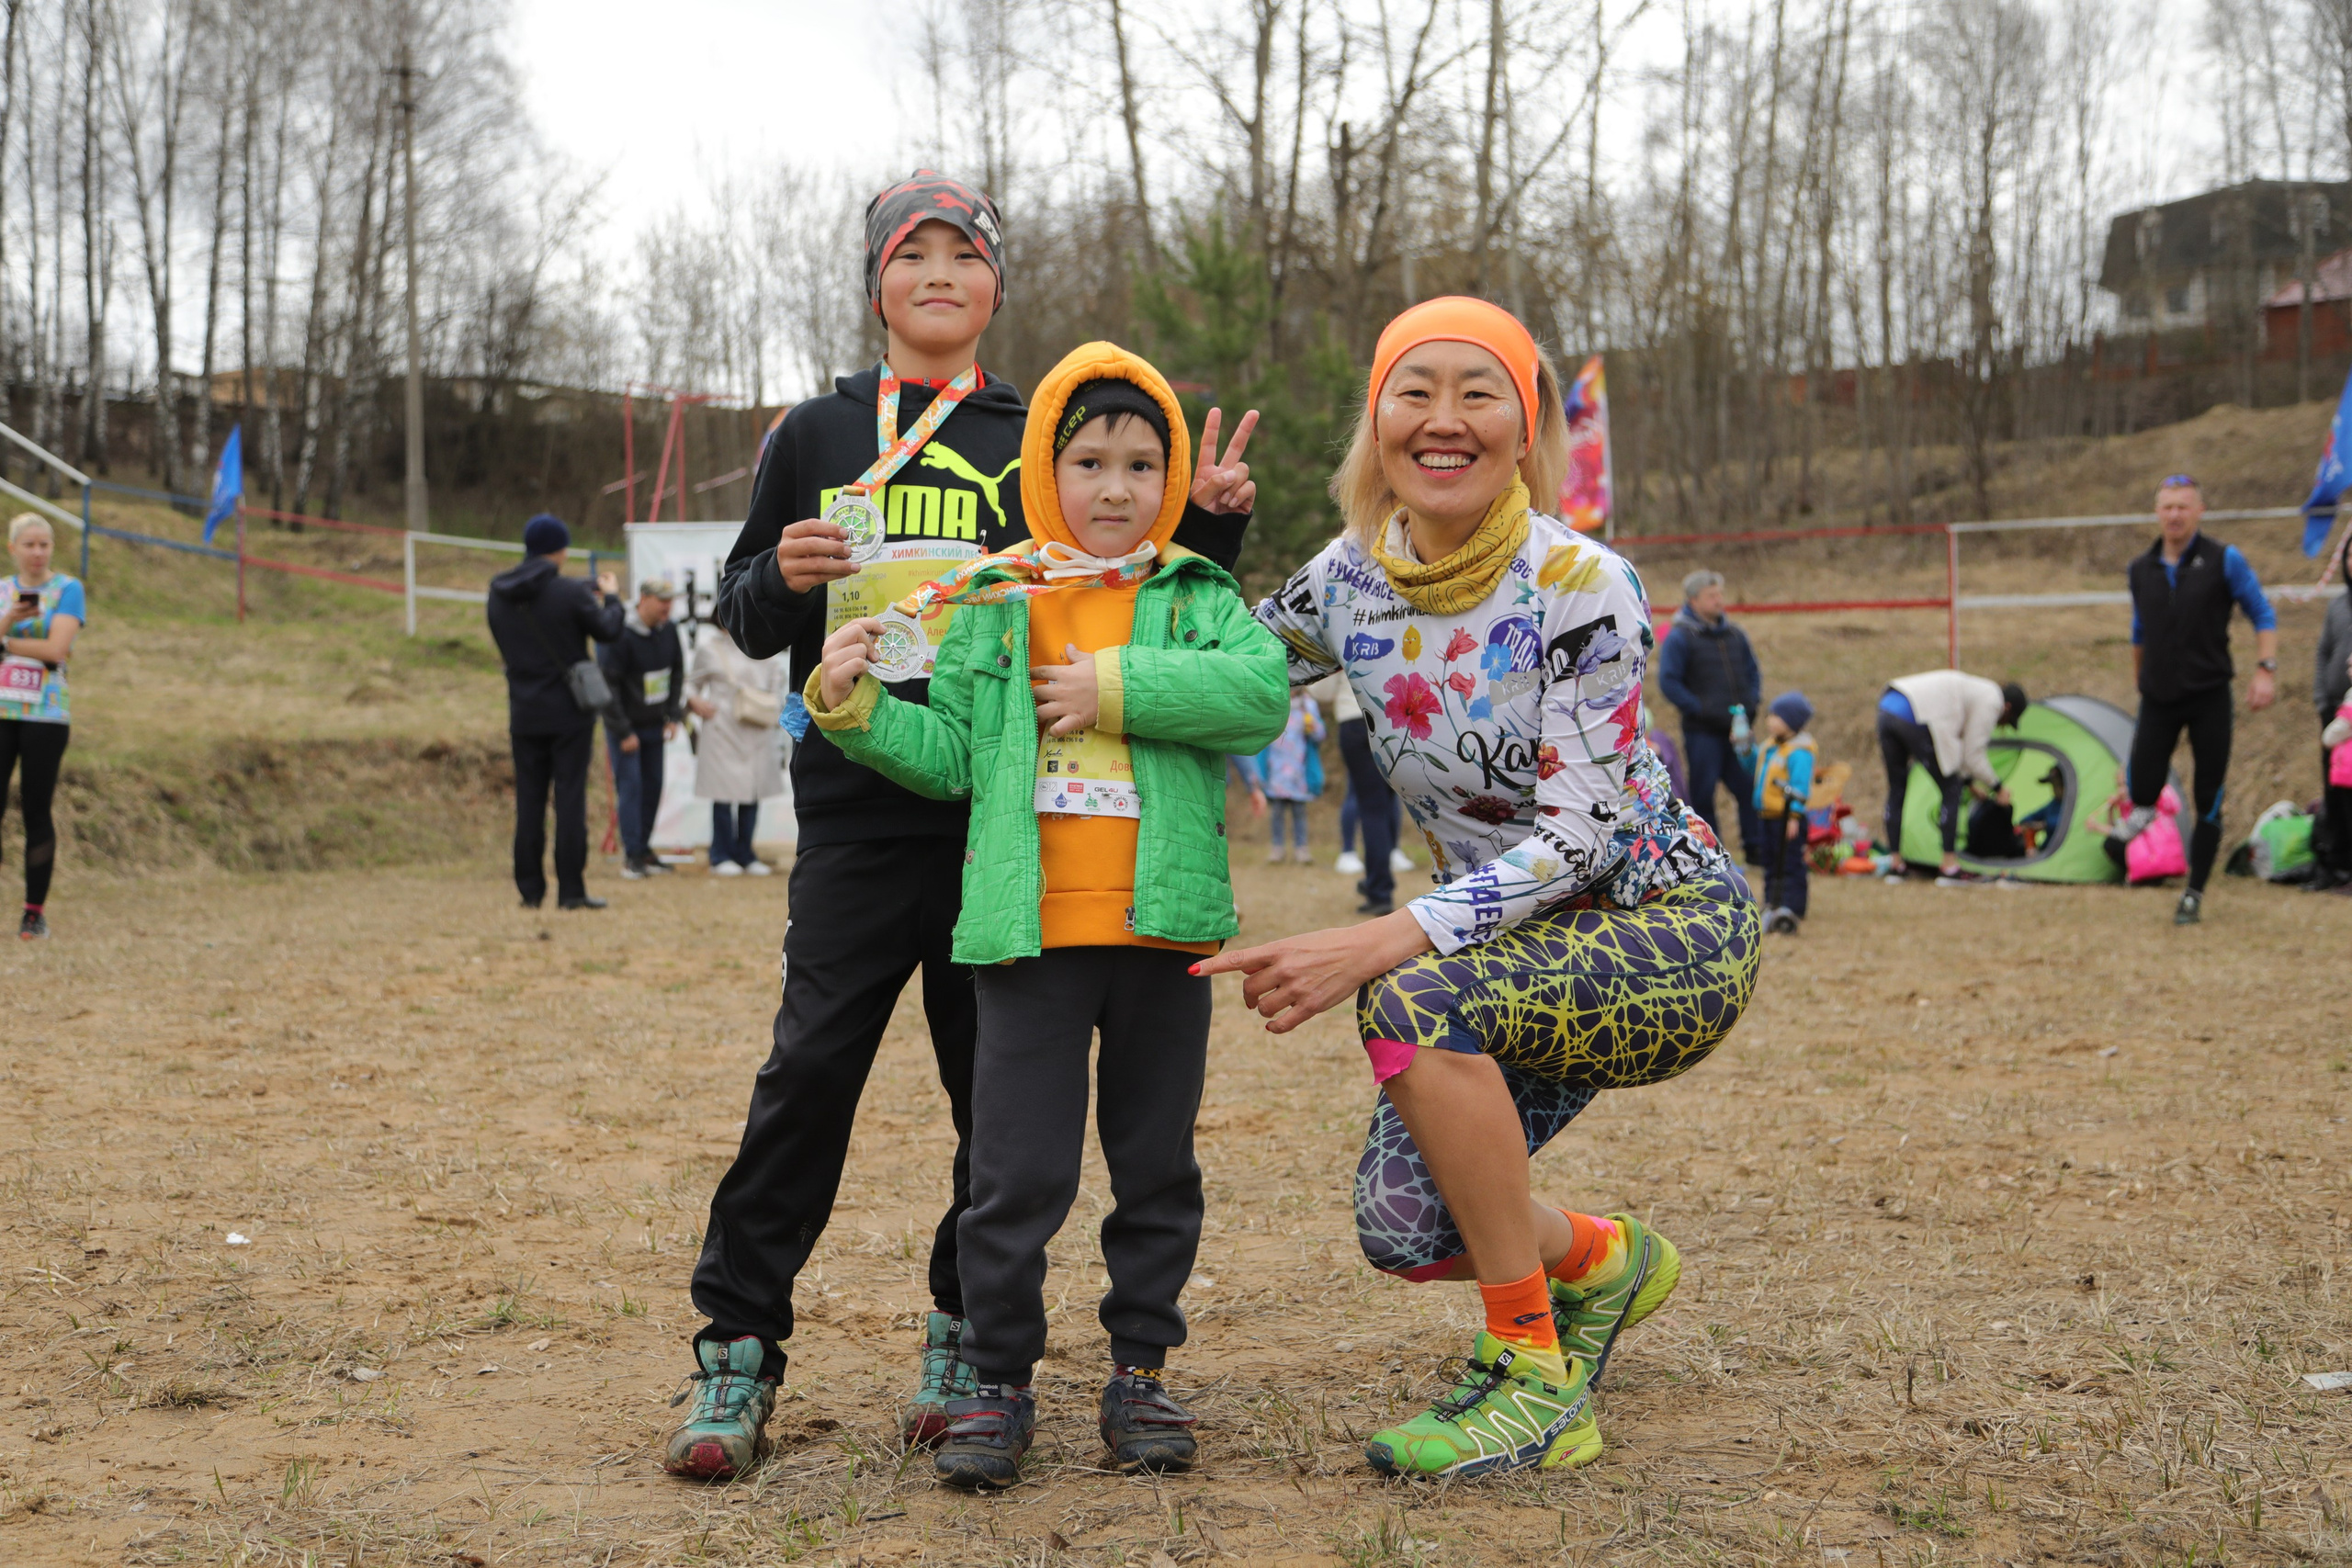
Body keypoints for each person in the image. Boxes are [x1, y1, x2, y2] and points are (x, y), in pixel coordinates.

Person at [677, 170, 1260, 1482]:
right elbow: (743, 614)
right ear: (875, 279)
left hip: (1009, 827)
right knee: (807, 1076)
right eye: (911, 255)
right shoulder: (817, 431)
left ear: (997, 282)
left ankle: (964, 1334)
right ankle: (737, 1346)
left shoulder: (1036, 432)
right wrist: (781, 574)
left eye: (964, 255)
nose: (938, 275)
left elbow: (1137, 576)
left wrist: (1223, 526)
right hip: (857, 811)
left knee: (993, 1104)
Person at [1205, 298, 1759, 1480]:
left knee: (1413, 1003)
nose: (1443, 420)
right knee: (1405, 1231)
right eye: (1416, 390)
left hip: (1663, 927)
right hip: (1501, 953)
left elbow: (1585, 835)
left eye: (1478, 391)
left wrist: (1385, 938)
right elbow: (1227, 680)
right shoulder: (1349, 579)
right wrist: (1199, 546)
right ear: (1377, 419)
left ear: (1525, 423)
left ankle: (1534, 1377)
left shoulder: (1582, 581)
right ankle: (1604, 1263)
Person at [808, 344, 1288, 1489]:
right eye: (1087, 461)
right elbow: (956, 761)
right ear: (1043, 471)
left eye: (1138, 463)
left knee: (1154, 1166)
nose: (1114, 487)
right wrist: (854, 704)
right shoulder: (995, 600)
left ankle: (1139, 1375)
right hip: (1026, 939)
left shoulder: (1196, 595)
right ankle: (998, 1379)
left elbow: (1258, 695)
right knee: (1014, 1176)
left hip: (1162, 936)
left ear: (1167, 481)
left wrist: (1113, 688)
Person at [2110, 475, 2278, 924]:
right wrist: (2139, 678)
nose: (2175, 515)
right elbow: (2139, 631)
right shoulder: (2140, 568)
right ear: (2157, 512)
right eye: (2167, 507)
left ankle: (2194, 893)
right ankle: (2141, 827)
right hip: (2159, 697)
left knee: (2209, 797)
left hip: (2208, 697)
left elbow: (2261, 612)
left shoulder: (2225, 560)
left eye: (2183, 506)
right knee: (2142, 787)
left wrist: (2266, 669)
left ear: (2199, 510)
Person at [485, 513, 627, 911]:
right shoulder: (569, 593)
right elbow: (608, 630)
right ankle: (571, 891)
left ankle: (529, 891)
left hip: (523, 712)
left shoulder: (498, 593)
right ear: (560, 550)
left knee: (528, 802)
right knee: (568, 799)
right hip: (569, 714)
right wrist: (612, 596)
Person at [0, 513, 84, 940]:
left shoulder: (68, 590)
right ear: (13, 548)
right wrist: (7, 620)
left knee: (35, 811)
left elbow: (57, 648)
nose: (37, 552)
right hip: (2, 713)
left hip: (45, 715)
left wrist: (4, 642)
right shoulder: (0, 592)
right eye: (29, 545)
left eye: (44, 545)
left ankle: (33, 913)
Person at [1875, 669, 2027, 884]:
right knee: (1951, 789)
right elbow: (1973, 755)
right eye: (2007, 721)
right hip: (1915, 715)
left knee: (1897, 787)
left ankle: (1895, 864)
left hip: (1888, 707)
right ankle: (1949, 867)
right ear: (2007, 708)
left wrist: (1970, 784)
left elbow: (1961, 756)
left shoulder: (1977, 689)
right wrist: (1998, 787)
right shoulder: (1992, 701)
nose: (2002, 727)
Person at [1656, 569, 1763, 863]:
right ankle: (1710, 851)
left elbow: (1753, 673)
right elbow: (1669, 682)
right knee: (1703, 794)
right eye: (1711, 595)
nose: (1719, 600)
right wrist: (1700, 709)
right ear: (1693, 599)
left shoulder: (1735, 635)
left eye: (1720, 594)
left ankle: (1755, 847)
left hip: (1739, 731)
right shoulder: (1680, 638)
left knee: (1749, 788)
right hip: (1702, 732)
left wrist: (1752, 703)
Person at [601, 578, 687, 878]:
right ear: (644, 598)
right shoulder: (621, 633)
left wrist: (674, 715)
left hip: (655, 726)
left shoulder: (670, 629)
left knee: (653, 787)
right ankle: (631, 855)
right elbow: (608, 685)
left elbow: (677, 671)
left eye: (670, 600)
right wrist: (623, 731)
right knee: (632, 789)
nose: (668, 606)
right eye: (662, 600)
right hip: (626, 729)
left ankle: (644, 850)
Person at [686, 623, 787, 876]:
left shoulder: (767, 645)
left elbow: (778, 684)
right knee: (722, 793)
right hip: (722, 728)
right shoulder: (710, 649)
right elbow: (690, 684)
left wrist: (773, 706)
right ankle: (720, 853)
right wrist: (696, 702)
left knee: (752, 793)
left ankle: (745, 852)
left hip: (758, 727)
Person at [1329, 672, 1414, 912]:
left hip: (1354, 720)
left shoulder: (1339, 634)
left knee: (1371, 807)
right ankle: (1377, 882)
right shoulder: (1399, 634)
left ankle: (1379, 890)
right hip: (1394, 720)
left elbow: (1321, 691)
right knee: (1387, 802)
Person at [2308, 530, 2352, 892]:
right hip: (2335, 716)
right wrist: (2323, 698)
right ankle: (2333, 865)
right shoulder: (2337, 606)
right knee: (2334, 791)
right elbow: (2324, 653)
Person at [1751, 693, 1815, 934]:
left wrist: (1795, 817)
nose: (1770, 721)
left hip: (1787, 818)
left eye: (1776, 716)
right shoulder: (1770, 747)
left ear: (1792, 721)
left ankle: (1793, 906)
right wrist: (1745, 749)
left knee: (1788, 861)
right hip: (1766, 815)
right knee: (1769, 861)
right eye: (1770, 715)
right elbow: (1755, 769)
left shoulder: (1800, 752)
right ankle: (1772, 902)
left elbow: (1801, 787)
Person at [1250, 690, 1326, 864]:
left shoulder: (1309, 706)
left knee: (1299, 811)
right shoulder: (1275, 702)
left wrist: (1313, 726)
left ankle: (1302, 849)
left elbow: (1320, 735)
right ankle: (1278, 848)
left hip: (1299, 770)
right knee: (1277, 812)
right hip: (1276, 769)